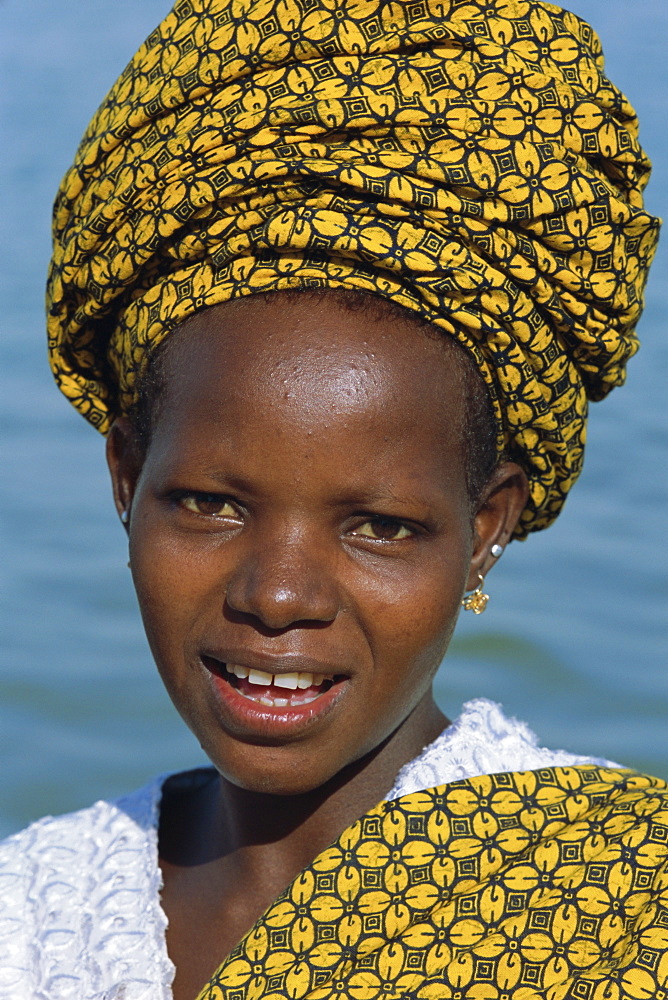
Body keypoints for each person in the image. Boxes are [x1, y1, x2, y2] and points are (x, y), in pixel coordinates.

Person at [1, 0, 665, 998]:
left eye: (379, 527)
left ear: (487, 527)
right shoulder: (28, 912)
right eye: (209, 504)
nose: (276, 596)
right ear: (123, 477)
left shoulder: (624, 897)